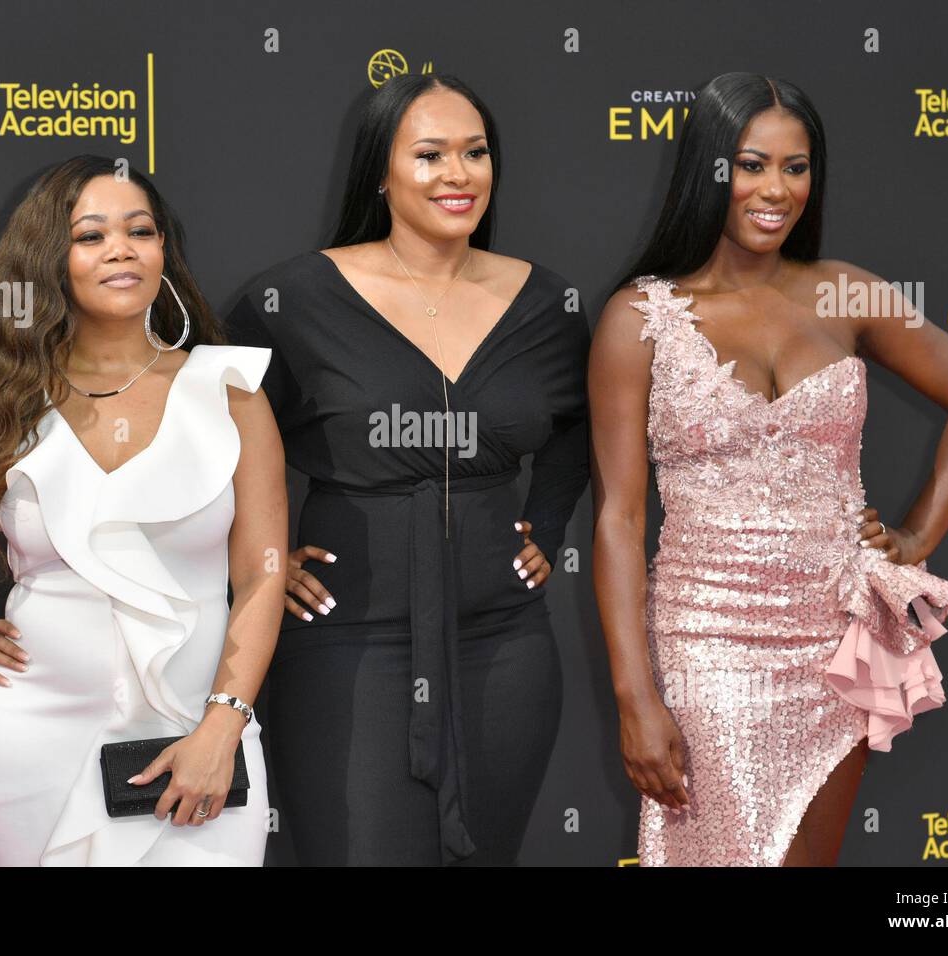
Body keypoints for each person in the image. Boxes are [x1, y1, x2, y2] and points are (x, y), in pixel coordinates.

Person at [589, 73, 948, 866]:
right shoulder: (638, 319)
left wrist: (916, 536)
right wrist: (634, 694)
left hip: (833, 641)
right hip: (707, 642)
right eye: (751, 165)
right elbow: (618, 517)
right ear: (710, 169)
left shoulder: (848, 292)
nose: (775, 189)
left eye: (796, 166)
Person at [0, 155, 287, 866]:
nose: (120, 249)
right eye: (91, 236)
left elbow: (261, 575)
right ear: (50, 261)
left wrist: (223, 728)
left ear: (163, 251)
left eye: (140, 231)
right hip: (30, 747)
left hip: (197, 740)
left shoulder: (230, 391)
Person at [227, 74, 591, 865]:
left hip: (506, 646)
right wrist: (255, 563)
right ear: (381, 173)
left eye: (475, 153)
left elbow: (577, 426)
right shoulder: (292, 300)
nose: (457, 174)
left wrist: (550, 524)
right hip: (346, 644)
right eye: (429, 155)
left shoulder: (547, 303)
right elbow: (203, 443)